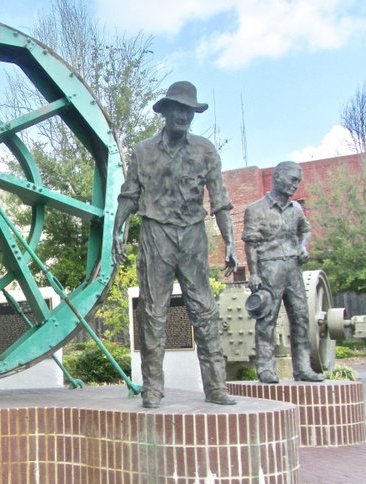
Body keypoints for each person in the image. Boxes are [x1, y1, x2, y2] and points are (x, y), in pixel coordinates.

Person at [112, 81, 238, 409]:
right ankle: (152, 388)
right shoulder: (143, 151)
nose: (184, 115)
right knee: (154, 312)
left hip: (194, 235)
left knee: (205, 310)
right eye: (178, 109)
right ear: (165, 111)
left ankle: (216, 387)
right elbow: (128, 195)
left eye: (189, 110)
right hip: (156, 234)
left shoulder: (205, 150)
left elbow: (221, 201)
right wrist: (117, 232)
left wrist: (229, 242)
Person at [242, 161, 325, 384]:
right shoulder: (256, 209)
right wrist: (254, 273)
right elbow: (250, 244)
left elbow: (305, 230)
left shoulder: (296, 209)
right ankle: (266, 368)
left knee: (300, 317)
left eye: (298, 181)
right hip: (269, 268)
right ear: (277, 177)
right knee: (267, 319)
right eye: (293, 179)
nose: (296, 185)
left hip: (293, 269)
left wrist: (303, 246)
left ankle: (303, 368)